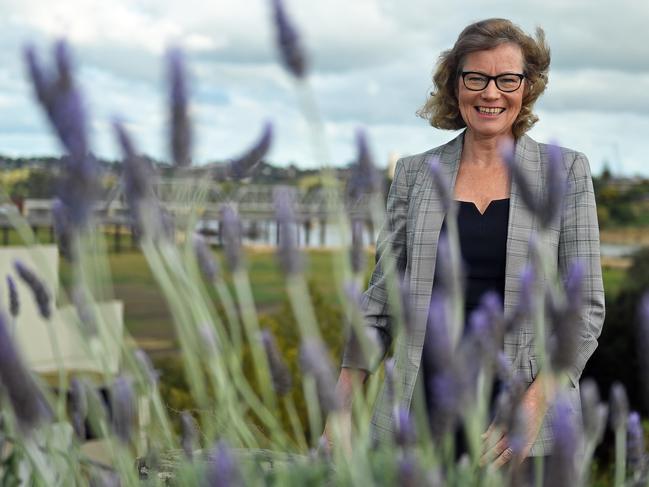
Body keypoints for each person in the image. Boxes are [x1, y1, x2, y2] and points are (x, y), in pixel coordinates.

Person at [325, 18, 605, 468]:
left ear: (526, 87)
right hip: (416, 423)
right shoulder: (415, 175)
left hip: (525, 434)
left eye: (507, 79)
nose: (491, 93)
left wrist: (533, 407)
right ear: (455, 85)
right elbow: (379, 306)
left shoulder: (566, 172)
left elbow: (585, 311)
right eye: (476, 77)